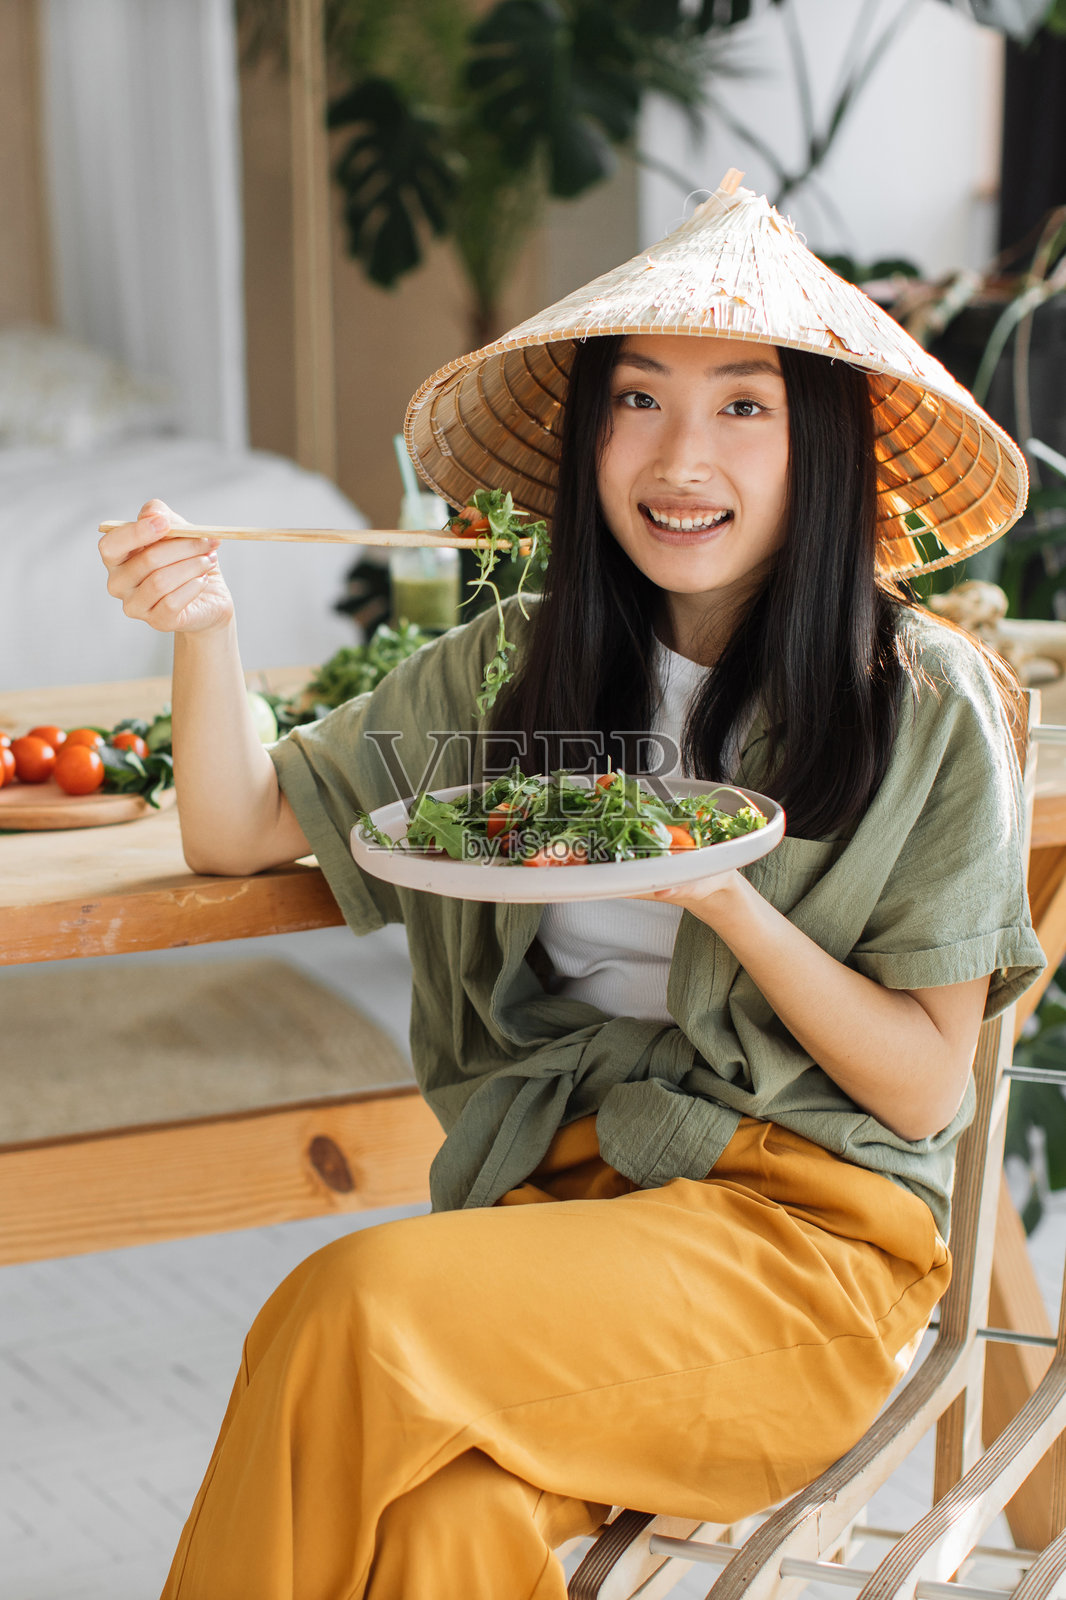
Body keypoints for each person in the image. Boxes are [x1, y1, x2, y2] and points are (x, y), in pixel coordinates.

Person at [99, 181, 1045, 1600]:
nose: (678, 454)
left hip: (800, 1257)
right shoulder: (507, 669)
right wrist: (204, 622)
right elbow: (235, 828)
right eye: (637, 402)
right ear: (589, 435)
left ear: (824, 451)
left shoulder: (919, 701)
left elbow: (921, 1092)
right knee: (440, 1529)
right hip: (556, 1215)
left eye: (742, 408)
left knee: (350, 1309)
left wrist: (723, 896)